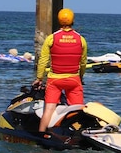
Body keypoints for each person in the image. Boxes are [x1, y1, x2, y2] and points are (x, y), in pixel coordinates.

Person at [33, 8, 87, 136]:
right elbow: (83, 62)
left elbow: (43, 60)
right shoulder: (81, 39)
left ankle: (42, 135)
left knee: (49, 109)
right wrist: (80, 77)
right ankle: (79, 135)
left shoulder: (52, 38)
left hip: (55, 80)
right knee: (77, 110)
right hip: (74, 80)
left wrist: (39, 78)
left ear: (58, 21)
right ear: (72, 21)